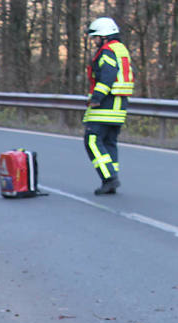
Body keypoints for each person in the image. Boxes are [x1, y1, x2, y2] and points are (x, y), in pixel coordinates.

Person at [84, 17, 134, 195]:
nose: (93, 41)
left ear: (104, 36)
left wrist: (96, 97)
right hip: (119, 105)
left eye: (95, 37)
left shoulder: (106, 51)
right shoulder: (120, 49)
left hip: (106, 104)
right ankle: (111, 177)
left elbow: (107, 75)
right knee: (109, 142)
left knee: (92, 140)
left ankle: (109, 178)